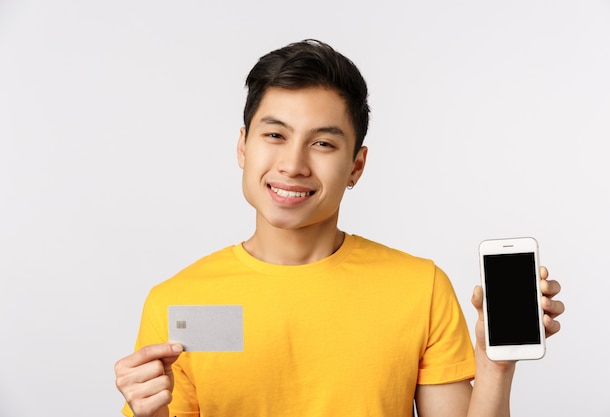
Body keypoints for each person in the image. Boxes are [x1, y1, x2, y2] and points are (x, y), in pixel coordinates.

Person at [114, 39, 565, 417]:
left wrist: (492, 366)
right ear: (242, 147)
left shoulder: (419, 288)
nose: (292, 164)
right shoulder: (177, 303)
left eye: (323, 143)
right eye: (274, 135)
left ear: (356, 166)